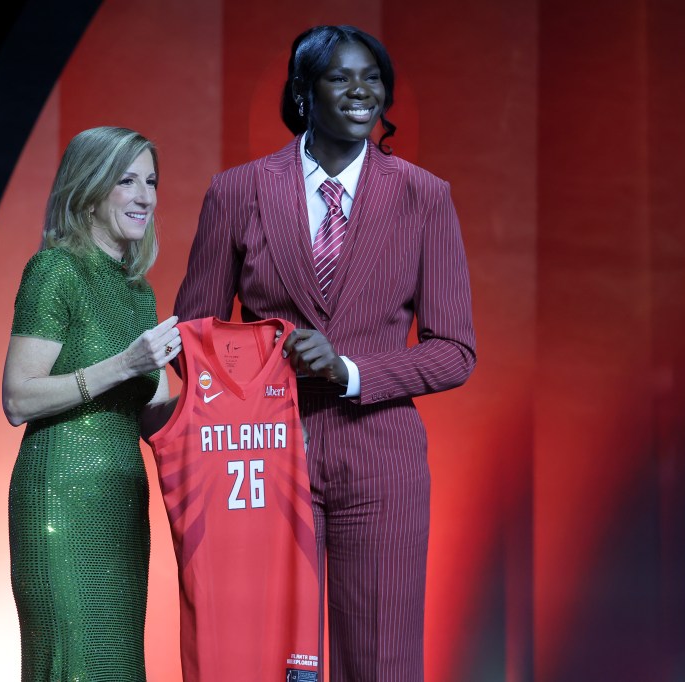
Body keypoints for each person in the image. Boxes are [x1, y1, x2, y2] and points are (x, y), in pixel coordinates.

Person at [174, 25, 476, 681]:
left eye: (372, 78)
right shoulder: (239, 192)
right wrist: (261, 368)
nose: (361, 91)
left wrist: (349, 371)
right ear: (303, 93)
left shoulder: (425, 197)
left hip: (382, 462)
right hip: (265, 459)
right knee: (270, 660)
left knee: (382, 662)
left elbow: (455, 352)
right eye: (341, 77)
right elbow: (193, 338)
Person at [2, 126, 181, 681]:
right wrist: (125, 364)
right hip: (60, 500)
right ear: (88, 189)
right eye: (126, 180)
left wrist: (234, 399)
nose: (145, 196)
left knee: (119, 667)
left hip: (123, 503)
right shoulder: (56, 271)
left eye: (151, 181)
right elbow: (17, 396)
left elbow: (147, 415)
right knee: (70, 664)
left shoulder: (138, 291)